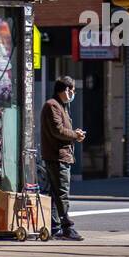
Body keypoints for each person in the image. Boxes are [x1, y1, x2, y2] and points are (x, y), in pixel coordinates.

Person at [40, 76, 85, 240]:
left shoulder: (61, 106)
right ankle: (67, 227)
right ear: (65, 90)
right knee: (62, 193)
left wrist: (75, 134)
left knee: (55, 193)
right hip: (57, 156)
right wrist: (75, 135)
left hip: (61, 156)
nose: (73, 93)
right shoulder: (53, 106)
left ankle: (55, 227)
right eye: (71, 90)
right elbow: (58, 131)